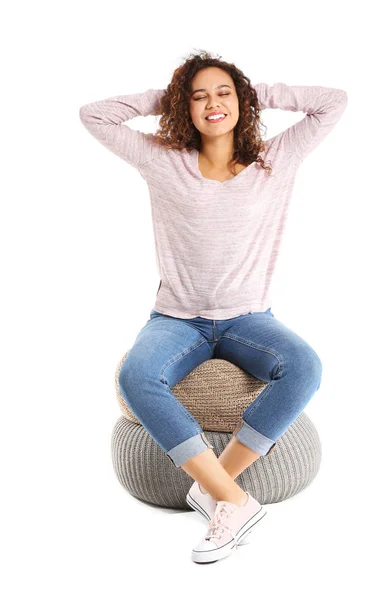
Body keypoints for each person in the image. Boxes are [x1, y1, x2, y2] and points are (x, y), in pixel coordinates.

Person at [79, 50, 348, 563]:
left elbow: (332, 102)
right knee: (135, 377)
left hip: (250, 320)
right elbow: (94, 114)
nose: (212, 104)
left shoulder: (275, 158)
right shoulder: (162, 159)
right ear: (185, 106)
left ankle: (215, 485)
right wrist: (172, 97)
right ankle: (232, 498)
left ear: (241, 101)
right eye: (198, 96)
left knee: (305, 367)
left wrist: (251, 92)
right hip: (177, 319)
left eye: (223, 93)